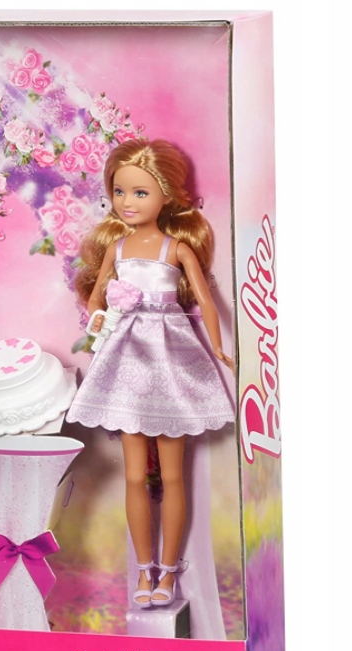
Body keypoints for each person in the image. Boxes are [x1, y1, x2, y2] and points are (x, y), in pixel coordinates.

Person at [66, 138, 235, 608]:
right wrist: (105, 316)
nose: (127, 202)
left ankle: (169, 571)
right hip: (128, 361)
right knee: (134, 476)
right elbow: (95, 298)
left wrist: (218, 348)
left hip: (170, 359)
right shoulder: (117, 248)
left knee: (174, 477)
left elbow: (205, 302)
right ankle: (145, 570)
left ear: (167, 196)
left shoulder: (175, 248)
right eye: (120, 191)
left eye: (140, 193)